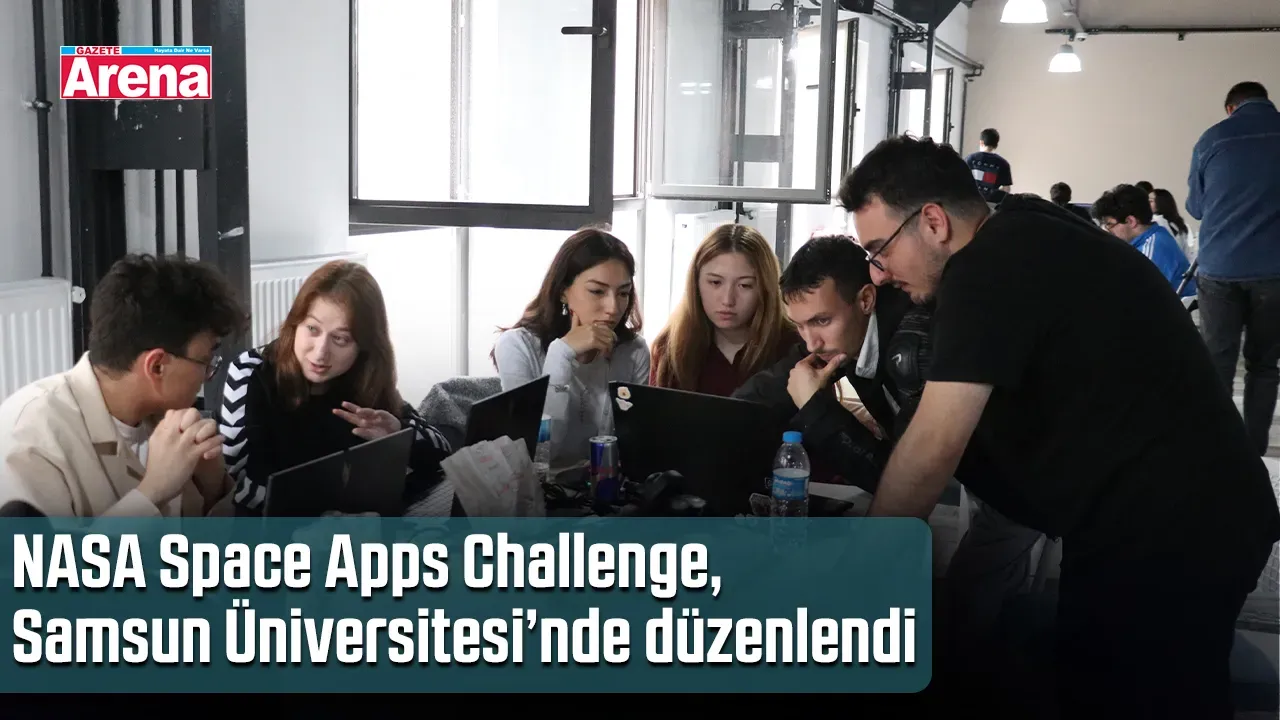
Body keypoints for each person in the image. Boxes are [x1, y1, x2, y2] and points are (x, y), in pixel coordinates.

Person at [838, 135, 1280, 717]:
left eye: (880, 249)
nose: (877, 272)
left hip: (1174, 531)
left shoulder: (986, 268)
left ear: (935, 222)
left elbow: (933, 447)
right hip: (1166, 517)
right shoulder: (1027, 226)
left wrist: (861, 574)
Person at [0, 254, 248, 517]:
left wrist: (212, 486)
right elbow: (40, 547)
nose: (208, 375)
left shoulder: (165, 416)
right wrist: (154, 490)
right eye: (205, 361)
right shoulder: (31, 436)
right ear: (157, 367)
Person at [218, 260, 453, 516]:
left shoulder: (364, 375)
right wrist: (323, 515)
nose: (320, 352)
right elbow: (238, 482)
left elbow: (443, 454)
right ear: (295, 323)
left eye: (340, 339)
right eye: (312, 329)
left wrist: (399, 433)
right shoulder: (250, 371)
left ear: (364, 346)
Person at [492, 228, 648, 468]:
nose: (613, 308)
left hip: (604, 486)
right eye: (597, 291)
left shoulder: (633, 351)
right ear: (563, 291)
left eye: (623, 293)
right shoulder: (517, 346)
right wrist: (561, 354)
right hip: (539, 487)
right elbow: (536, 453)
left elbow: (633, 449)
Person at [1186, 81, 1280, 456]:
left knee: (1217, 363)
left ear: (1230, 108)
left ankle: (1216, 453)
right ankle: (1252, 451)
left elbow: (1196, 207)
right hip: (1274, 271)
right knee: (1264, 365)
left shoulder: (1212, 138)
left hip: (1219, 267)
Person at [650, 223, 799, 396]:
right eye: (715, 282)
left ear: (766, 289)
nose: (728, 300)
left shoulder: (796, 349)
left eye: (745, 285)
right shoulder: (670, 349)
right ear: (695, 283)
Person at [1092, 183, 1196, 297]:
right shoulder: (1153, 236)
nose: (1108, 231)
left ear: (1131, 221)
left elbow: (1135, 296)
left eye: (1110, 225)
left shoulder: (1153, 248)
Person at [964, 128, 1013, 204]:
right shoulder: (1003, 163)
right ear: (996, 145)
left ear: (981, 142)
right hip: (991, 204)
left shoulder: (970, 159)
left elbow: (960, 180)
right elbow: (1006, 189)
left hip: (970, 202)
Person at [1150, 187, 1195, 258]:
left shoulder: (1157, 222)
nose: (1147, 204)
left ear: (1161, 203)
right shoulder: (1177, 223)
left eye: (1151, 201)